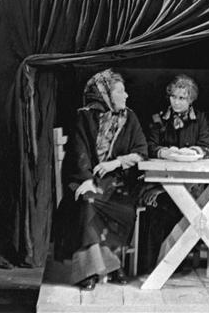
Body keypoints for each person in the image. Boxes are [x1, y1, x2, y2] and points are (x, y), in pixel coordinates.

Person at [54, 70, 147, 290]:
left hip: (118, 182)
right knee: (87, 201)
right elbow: (79, 151)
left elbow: (141, 152)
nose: (126, 96)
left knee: (114, 204)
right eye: (120, 91)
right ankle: (98, 268)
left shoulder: (130, 118)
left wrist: (115, 163)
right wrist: (86, 179)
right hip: (85, 178)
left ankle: (106, 265)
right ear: (105, 94)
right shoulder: (85, 116)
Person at [139, 74, 209, 273]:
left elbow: (206, 146)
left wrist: (193, 152)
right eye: (174, 97)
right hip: (162, 183)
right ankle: (151, 267)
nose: (177, 102)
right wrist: (165, 152)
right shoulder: (159, 118)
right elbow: (150, 146)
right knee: (157, 209)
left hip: (191, 184)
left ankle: (173, 263)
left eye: (182, 98)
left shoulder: (200, 119)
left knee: (188, 207)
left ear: (191, 100)